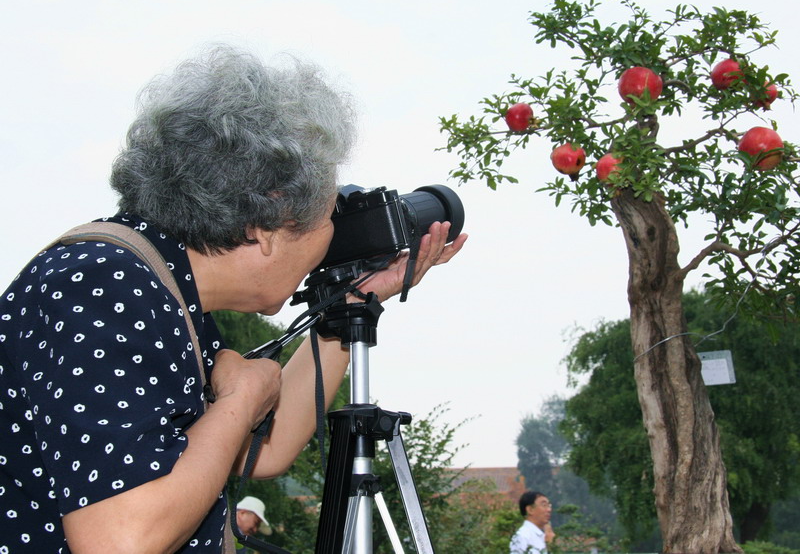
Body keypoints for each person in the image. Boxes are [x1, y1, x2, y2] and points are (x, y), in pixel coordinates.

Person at [0, 45, 467, 554]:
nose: (334, 232)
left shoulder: (166, 296)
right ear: (268, 224)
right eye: (330, 211)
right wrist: (241, 401)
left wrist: (355, 301)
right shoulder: (101, 285)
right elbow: (120, 540)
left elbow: (265, 450)